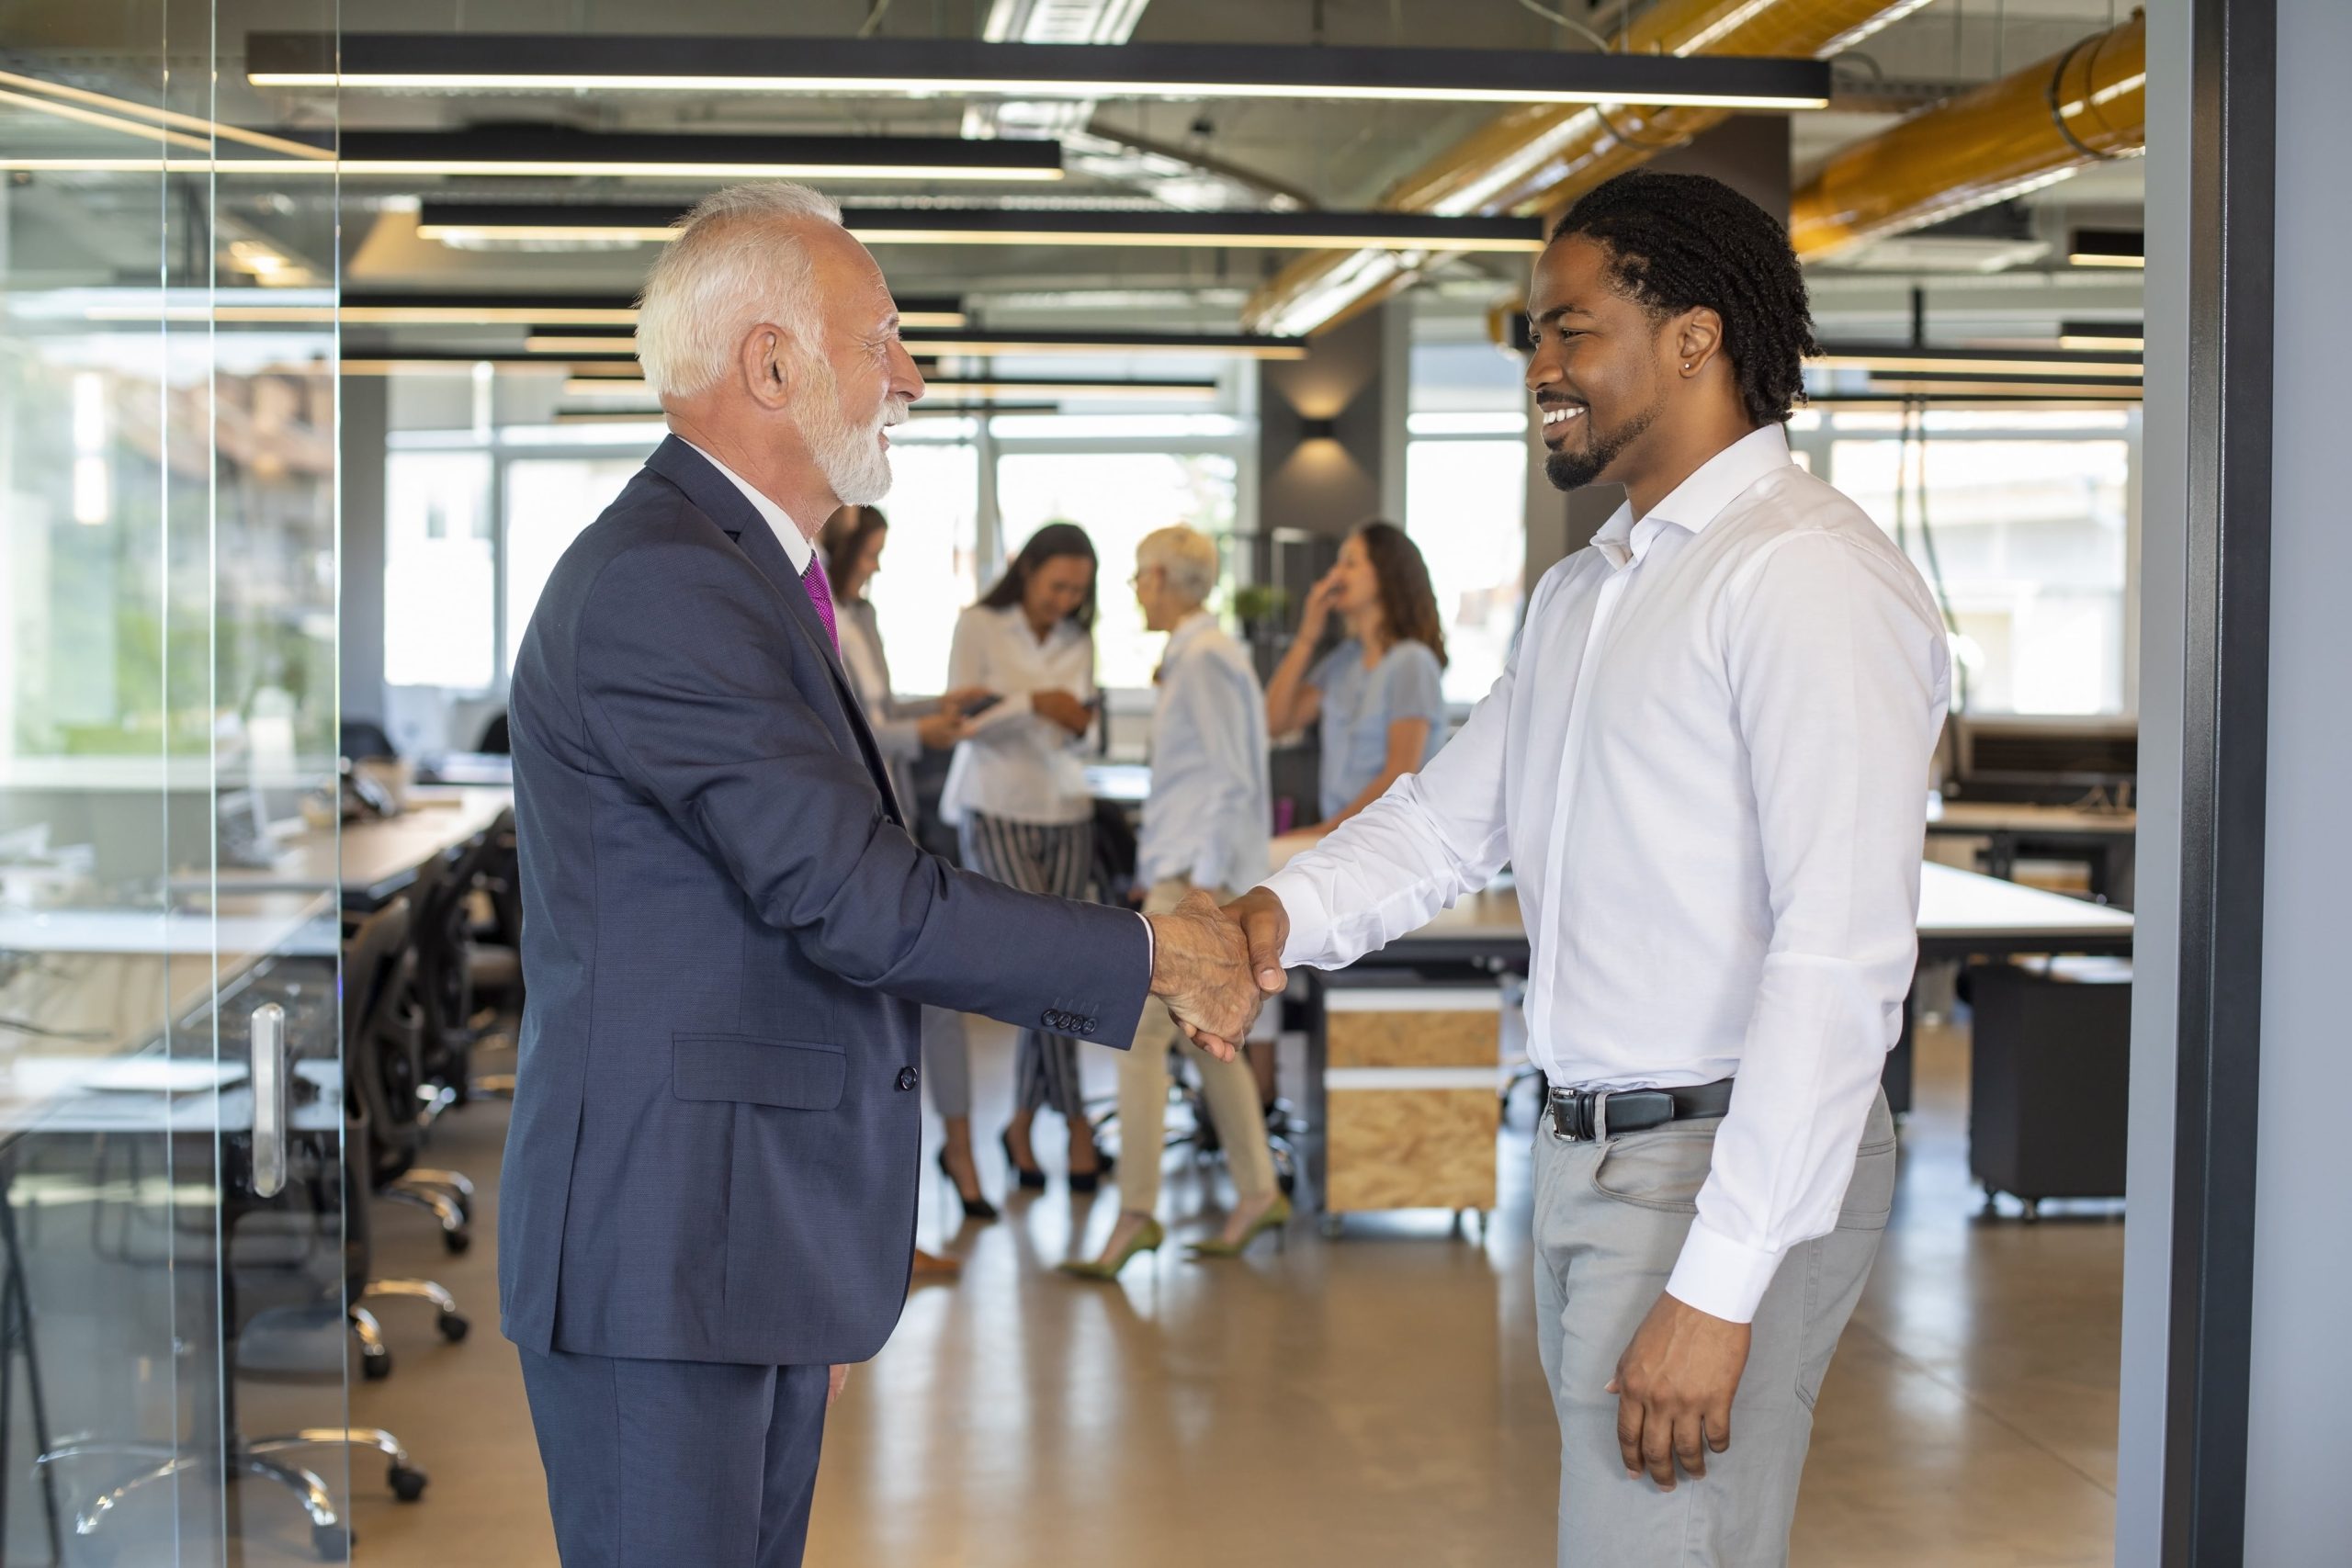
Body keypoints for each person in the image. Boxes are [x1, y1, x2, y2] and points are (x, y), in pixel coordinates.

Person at [498, 181, 1261, 1568]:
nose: (909, 374)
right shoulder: (665, 584)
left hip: (741, 1244)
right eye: (885, 337)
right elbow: (853, 894)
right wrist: (1148, 953)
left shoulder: (739, 571)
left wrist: (805, 1276)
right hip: (663, 1256)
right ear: (771, 363)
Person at [1216, 171, 1951, 1567]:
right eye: (1532, 339)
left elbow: (1838, 952)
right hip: (1591, 1158)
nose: (1541, 368)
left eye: (1570, 328)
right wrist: (1267, 916)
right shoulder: (1591, 590)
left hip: (1719, 1164)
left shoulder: (1802, 576)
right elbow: (1444, 823)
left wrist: (1720, 1283)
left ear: (1694, 336)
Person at [1061, 526, 1287, 1280]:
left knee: (1136, 1032)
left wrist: (1198, 891)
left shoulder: (1204, 658)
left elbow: (1227, 779)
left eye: (1137, 576)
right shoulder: (1200, 655)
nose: (1133, 589)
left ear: (1162, 577)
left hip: (1199, 878)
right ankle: (1258, 1189)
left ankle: (1136, 1212)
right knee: (1203, 1034)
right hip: (1189, 872)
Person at [820, 503, 993, 1273]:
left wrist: (936, 711)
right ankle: (890, 1227)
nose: (879, 565)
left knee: (936, 1003)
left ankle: (956, 1156)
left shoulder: (863, 616)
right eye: (873, 551)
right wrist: (919, 733)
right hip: (848, 840)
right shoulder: (810, 608)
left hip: (894, 828)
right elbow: (843, 726)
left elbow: (878, 714)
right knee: (878, 1024)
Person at [940, 523, 1114, 1193]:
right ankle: (1074, 1122)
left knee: (1061, 969)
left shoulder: (1079, 639)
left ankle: (1019, 1119)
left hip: (1066, 809)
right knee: (1043, 966)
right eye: (1057, 585)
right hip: (996, 806)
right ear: (1028, 571)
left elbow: (1085, 736)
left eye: (1078, 591)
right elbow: (963, 720)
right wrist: (1037, 702)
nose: (1066, 601)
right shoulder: (979, 625)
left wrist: (1074, 719)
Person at [1262, 520, 1450, 835]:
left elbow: (1399, 773)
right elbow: (1274, 722)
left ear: (1385, 575)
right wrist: (1307, 636)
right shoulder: (1343, 662)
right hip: (1345, 841)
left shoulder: (1411, 663)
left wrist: (1324, 833)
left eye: (1350, 563)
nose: (1334, 575)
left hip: (1386, 843)